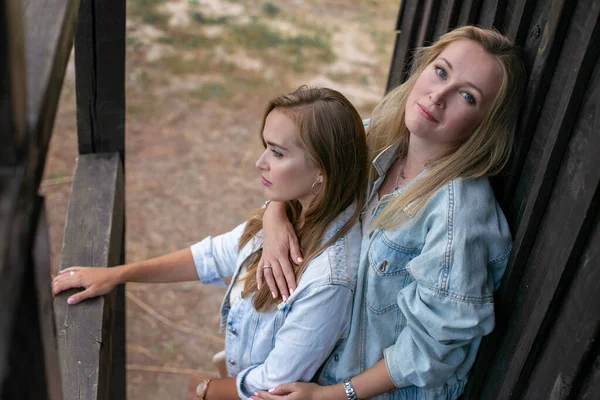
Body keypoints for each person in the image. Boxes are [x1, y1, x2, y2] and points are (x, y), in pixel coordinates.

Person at [250, 26, 527, 400]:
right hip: (313, 358)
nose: (439, 95)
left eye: (467, 96)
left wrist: (328, 396)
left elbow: (430, 354)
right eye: (441, 72)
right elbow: (308, 158)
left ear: (485, 122)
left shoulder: (457, 214)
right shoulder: (379, 137)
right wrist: (276, 215)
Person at [52, 86, 369, 400]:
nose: (260, 162)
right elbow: (212, 255)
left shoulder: (329, 279)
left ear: (321, 171)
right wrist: (116, 275)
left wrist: (203, 390)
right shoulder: (291, 209)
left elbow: (275, 381)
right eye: (265, 146)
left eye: (277, 152)